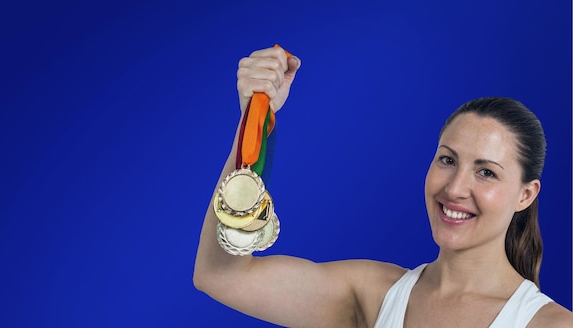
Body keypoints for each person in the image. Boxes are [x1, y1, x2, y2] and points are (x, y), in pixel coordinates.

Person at [193, 46, 573, 327]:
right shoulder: (372, 295)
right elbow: (220, 274)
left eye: (486, 172)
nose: (456, 187)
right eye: (447, 160)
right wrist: (256, 125)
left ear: (526, 195)